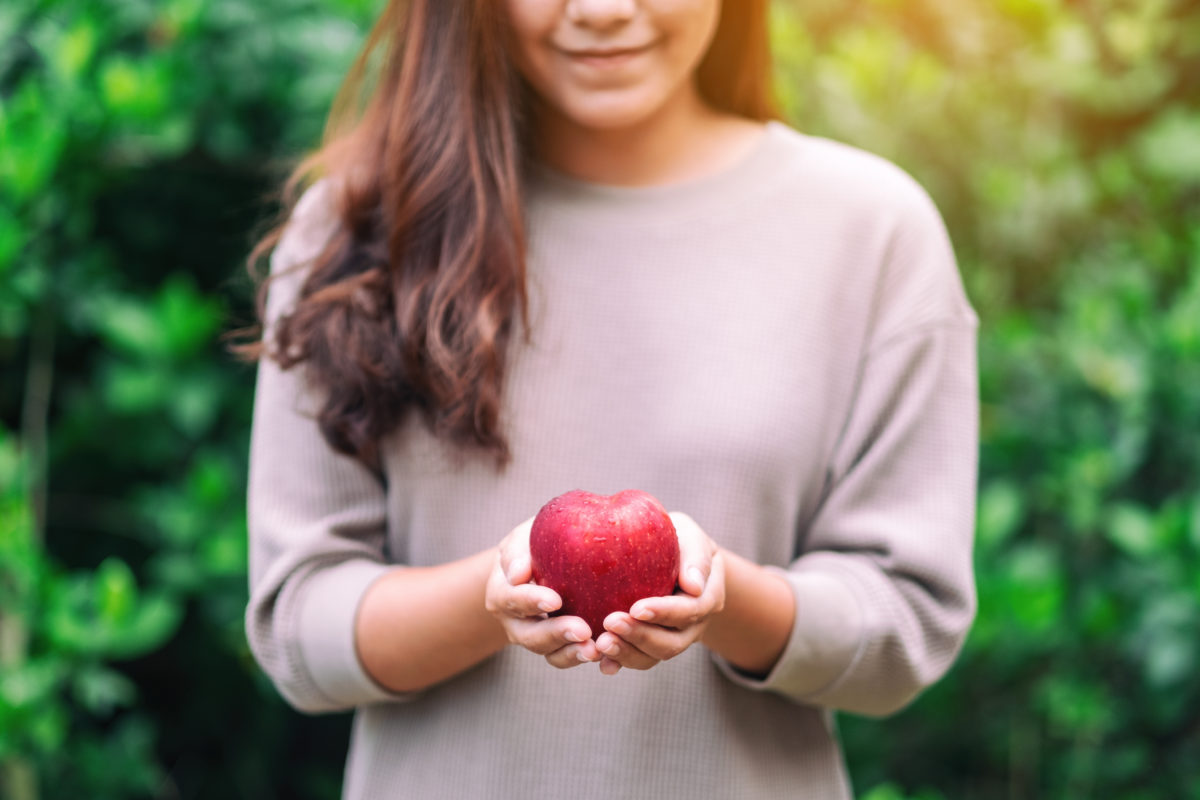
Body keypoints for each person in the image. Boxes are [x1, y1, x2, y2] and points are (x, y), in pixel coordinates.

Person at [242, 0, 980, 798]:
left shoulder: (871, 231)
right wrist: (497, 596)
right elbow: (297, 627)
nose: (603, 10)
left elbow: (906, 628)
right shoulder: (357, 230)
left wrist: (720, 600)